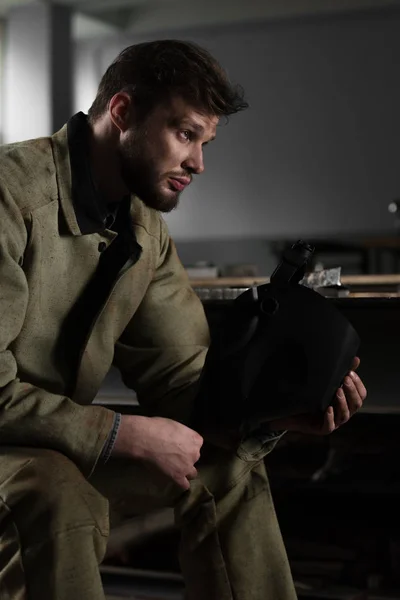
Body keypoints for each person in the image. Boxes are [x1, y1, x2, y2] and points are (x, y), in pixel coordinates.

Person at [0, 39, 367, 599]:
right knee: (55, 493)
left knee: (225, 468)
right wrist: (122, 433)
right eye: (185, 133)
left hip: (56, 444)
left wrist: (271, 417)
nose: (198, 162)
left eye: (205, 141)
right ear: (122, 112)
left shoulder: (144, 230)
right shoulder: (11, 195)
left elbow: (181, 383)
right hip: (19, 452)